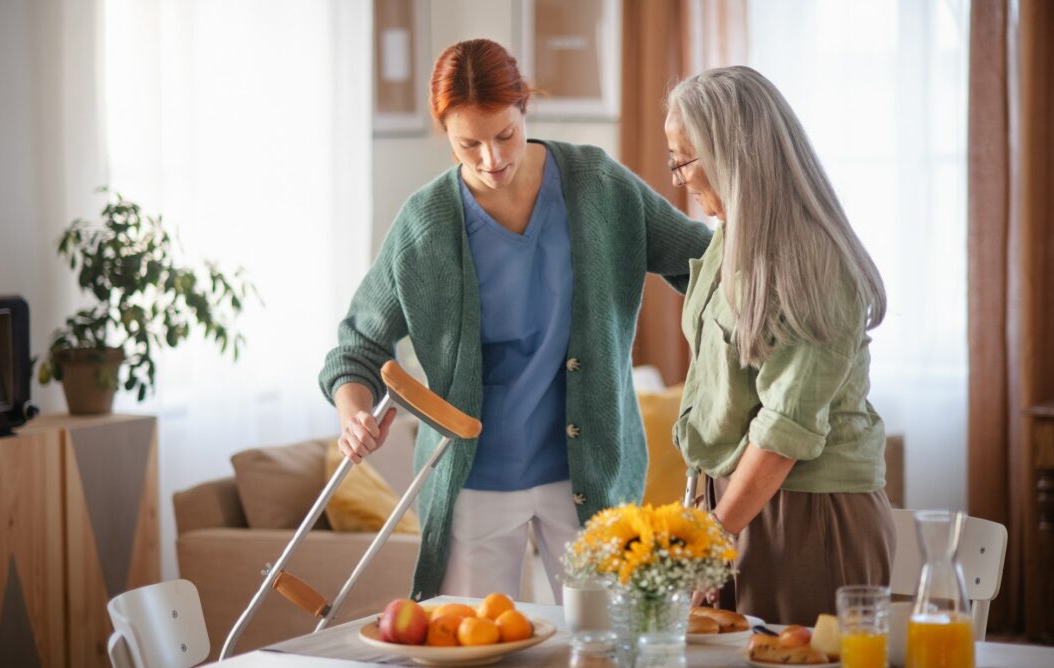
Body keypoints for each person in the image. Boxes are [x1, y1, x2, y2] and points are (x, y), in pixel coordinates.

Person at [319, 39, 711, 603]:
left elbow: (701, 261)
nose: (490, 160)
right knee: (475, 648)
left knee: (606, 648)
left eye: (504, 135)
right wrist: (354, 414)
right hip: (473, 482)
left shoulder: (597, 184)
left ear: (525, 107)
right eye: (467, 144)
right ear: (444, 134)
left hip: (589, 474)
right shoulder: (424, 225)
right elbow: (355, 348)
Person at [665, 66, 895, 626]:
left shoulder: (815, 262)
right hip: (737, 506)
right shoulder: (728, 237)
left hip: (809, 515)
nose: (678, 179)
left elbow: (784, 429)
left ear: (731, 154)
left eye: (683, 159)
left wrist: (715, 533)